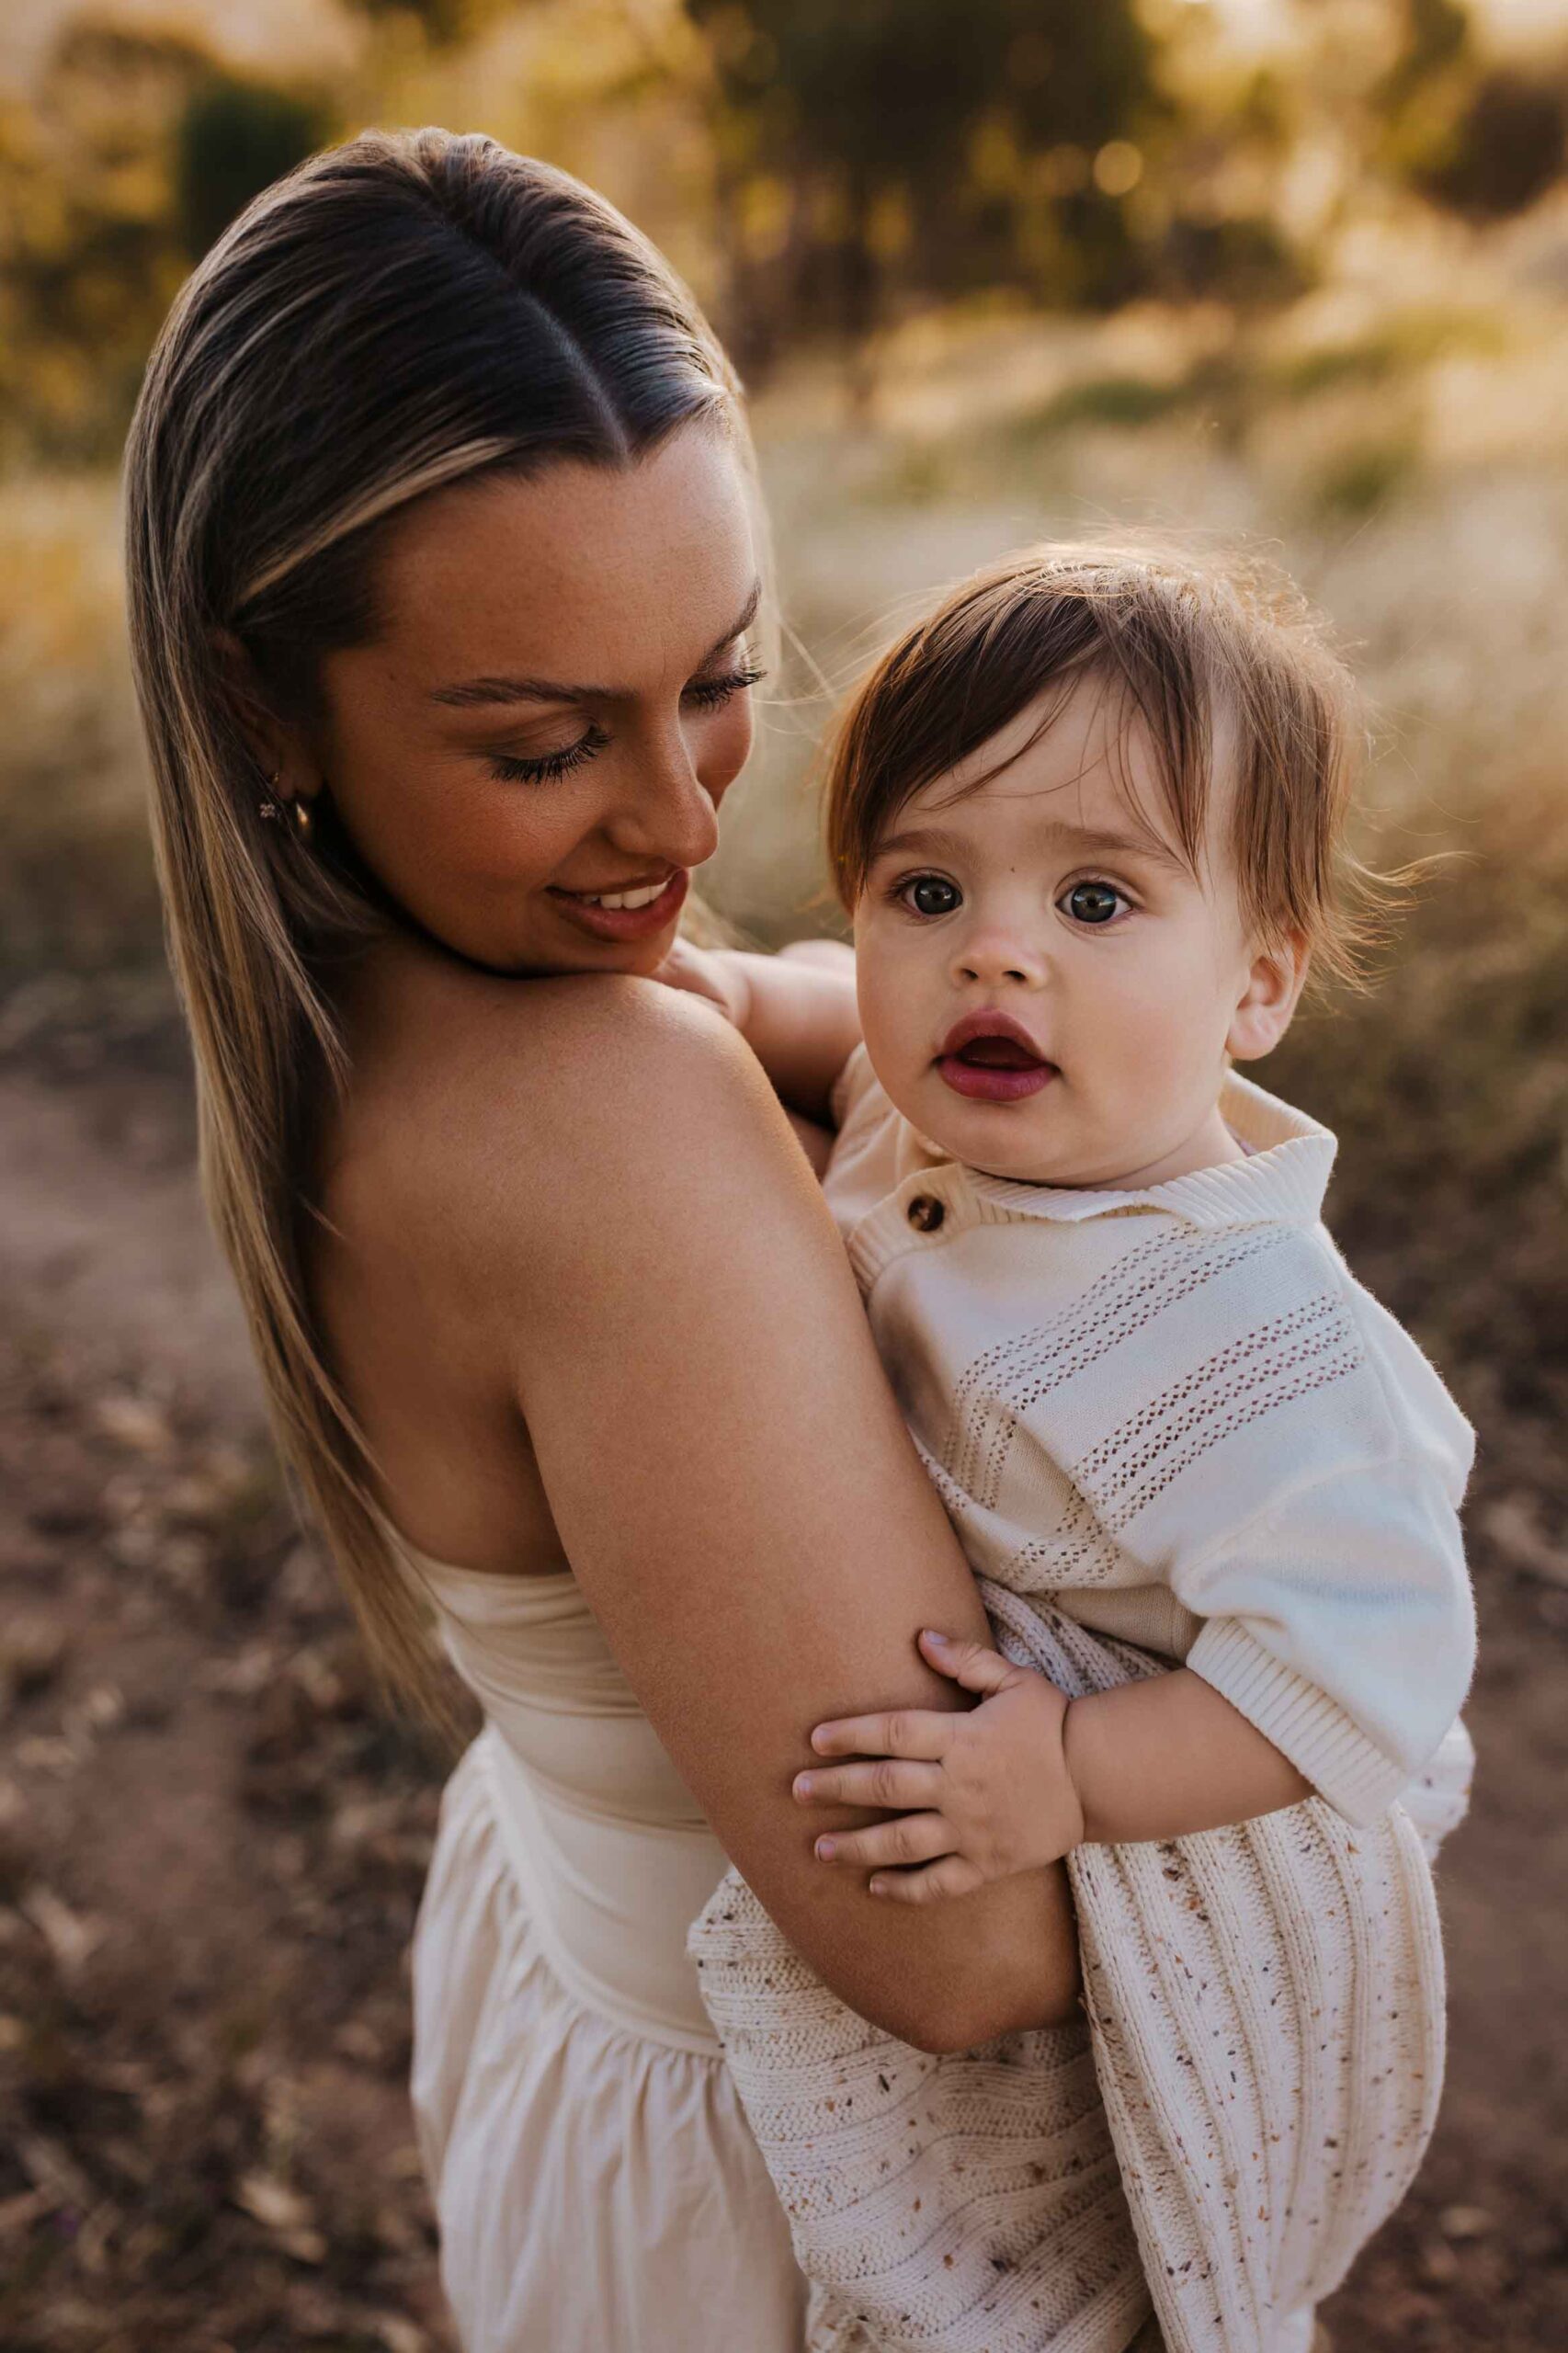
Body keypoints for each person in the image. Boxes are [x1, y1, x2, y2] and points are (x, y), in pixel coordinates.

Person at [121, 130, 1085, 2353]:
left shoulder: (373, 1014)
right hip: (792, 2183)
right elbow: (960, 1948)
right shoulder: (599, 1123)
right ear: (265, 697)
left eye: (717, 675)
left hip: (597, 2008)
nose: (681, 815)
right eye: (550, 741)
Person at [675, 545, 1476, 2353]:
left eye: (1098, 898)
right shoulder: (944, 1086)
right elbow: (829, 1009)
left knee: (1057, 2257)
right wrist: (723, 1013)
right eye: (926, 884)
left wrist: (1076, 1770)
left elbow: (1366, 1664)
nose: (996, 947)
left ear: (1258, 983)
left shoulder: (1248, 1343)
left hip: (1166, 1786)